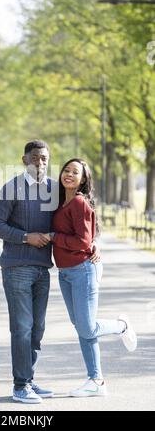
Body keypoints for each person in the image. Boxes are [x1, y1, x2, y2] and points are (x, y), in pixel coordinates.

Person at [0, 141, 100, 404]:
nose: (40, 163)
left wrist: (92, 242)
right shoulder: (11, 188)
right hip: (16, 267)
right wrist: (26, 237)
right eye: (35, 158)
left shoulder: (54, 189)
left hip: (43, 268)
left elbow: (76, 219)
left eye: (45, 159)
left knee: (37, 329)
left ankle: (30, 379)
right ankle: (20, 385)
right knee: (22, 328)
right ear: (24, 159)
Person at [47, 158, 137, 397]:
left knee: (87, 327)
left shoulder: (78, 202)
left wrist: (54, 237)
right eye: (66, 170)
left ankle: (122, 326)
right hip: (66, 273)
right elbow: (89, 236)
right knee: (82, 327)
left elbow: (83, 242)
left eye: (75, 172)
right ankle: (96, 380)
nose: (68, 174)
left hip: (83, 270)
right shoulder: (60, 201)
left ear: (83, 179)